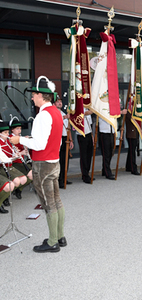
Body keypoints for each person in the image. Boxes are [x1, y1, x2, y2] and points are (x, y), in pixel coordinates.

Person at [10, 75, 66, 253]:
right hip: (54, 161)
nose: (32, 97)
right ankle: (60, 237)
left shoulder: (43, 115)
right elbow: (54, 141)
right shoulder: (56, 112)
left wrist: (20, 139)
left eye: (34, 94)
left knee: (48, 203)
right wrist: (28, 139)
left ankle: (52, 242)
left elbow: (40, 144)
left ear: (42, 96)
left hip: (43, 164)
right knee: (57, 201)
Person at [0, 121, 27, 207]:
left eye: (8, 132)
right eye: (5, 133)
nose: (8, 134)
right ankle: (2, 200)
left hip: (9, 165)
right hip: (2, 167)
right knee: (10, 185)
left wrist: (16, 154)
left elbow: (11, 153)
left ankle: (7, 195)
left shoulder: (8, 141)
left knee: (22, 180)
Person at [9, 118, 33, 198]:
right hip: (14, 162)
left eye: (20, 129)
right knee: (31, 175)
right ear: (12, 130)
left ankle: (18, 189)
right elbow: (12, 153)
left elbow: (23, 150)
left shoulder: (19, 137)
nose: (19, 131)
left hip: (21, 162)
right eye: (17, 129)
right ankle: (14, 190)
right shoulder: (10, 138)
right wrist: (21, 152)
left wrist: (25, 144)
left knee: (33, 174)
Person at [54, 96, 74, 188]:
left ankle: (64, 177)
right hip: (58, 139)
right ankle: (59, 180)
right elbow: (57, 120)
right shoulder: (55, 113)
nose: (59, 103)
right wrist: (66, 117)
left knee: (65, 160)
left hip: (65, 138)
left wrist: (70, 140)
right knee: (60, 160)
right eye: (57, 102)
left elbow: (67, 128)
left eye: (60, 101)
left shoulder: (63, 112)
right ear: (54, 104)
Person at [76, 108, 94, 183]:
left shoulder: (87, 108)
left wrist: (92, 135)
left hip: (89, 133)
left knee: (89, 154)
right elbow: (85, 113)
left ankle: (87, 172)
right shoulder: (79, 107)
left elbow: (90, 124)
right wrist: (93, 110)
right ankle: (84, 175)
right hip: (81, 134)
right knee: (84, 156)